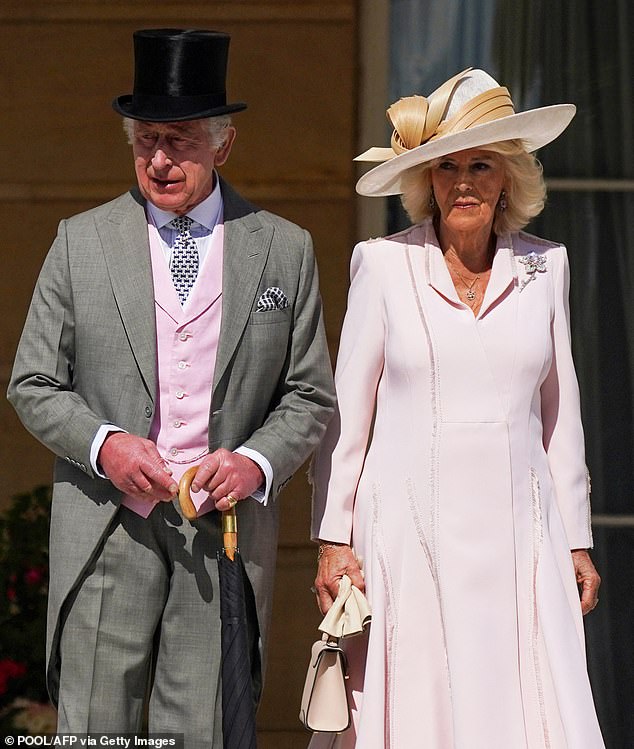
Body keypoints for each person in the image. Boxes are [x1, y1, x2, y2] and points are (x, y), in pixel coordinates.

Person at [7, 28, 335, 746]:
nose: (159, 158)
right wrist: (106, 444)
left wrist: (253, 462)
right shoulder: (79, 240)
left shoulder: (284, 247)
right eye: (146, 138)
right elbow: (31, 381)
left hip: (219, 536)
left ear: (224, 144)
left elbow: (309, 396)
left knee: (206, 731)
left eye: (180, 139)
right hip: (106, 528)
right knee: (94, 728)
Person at [310, 68, 605, 748]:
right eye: (448, 167)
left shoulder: (546, 266)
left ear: (508, 178)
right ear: (427, 181)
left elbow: (562, 414)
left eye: (481, 165)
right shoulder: (381, 265)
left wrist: (575, 537)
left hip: (520, 535)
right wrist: (333, 538)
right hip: (406, 537)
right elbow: (344, 422)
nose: (464, 182)